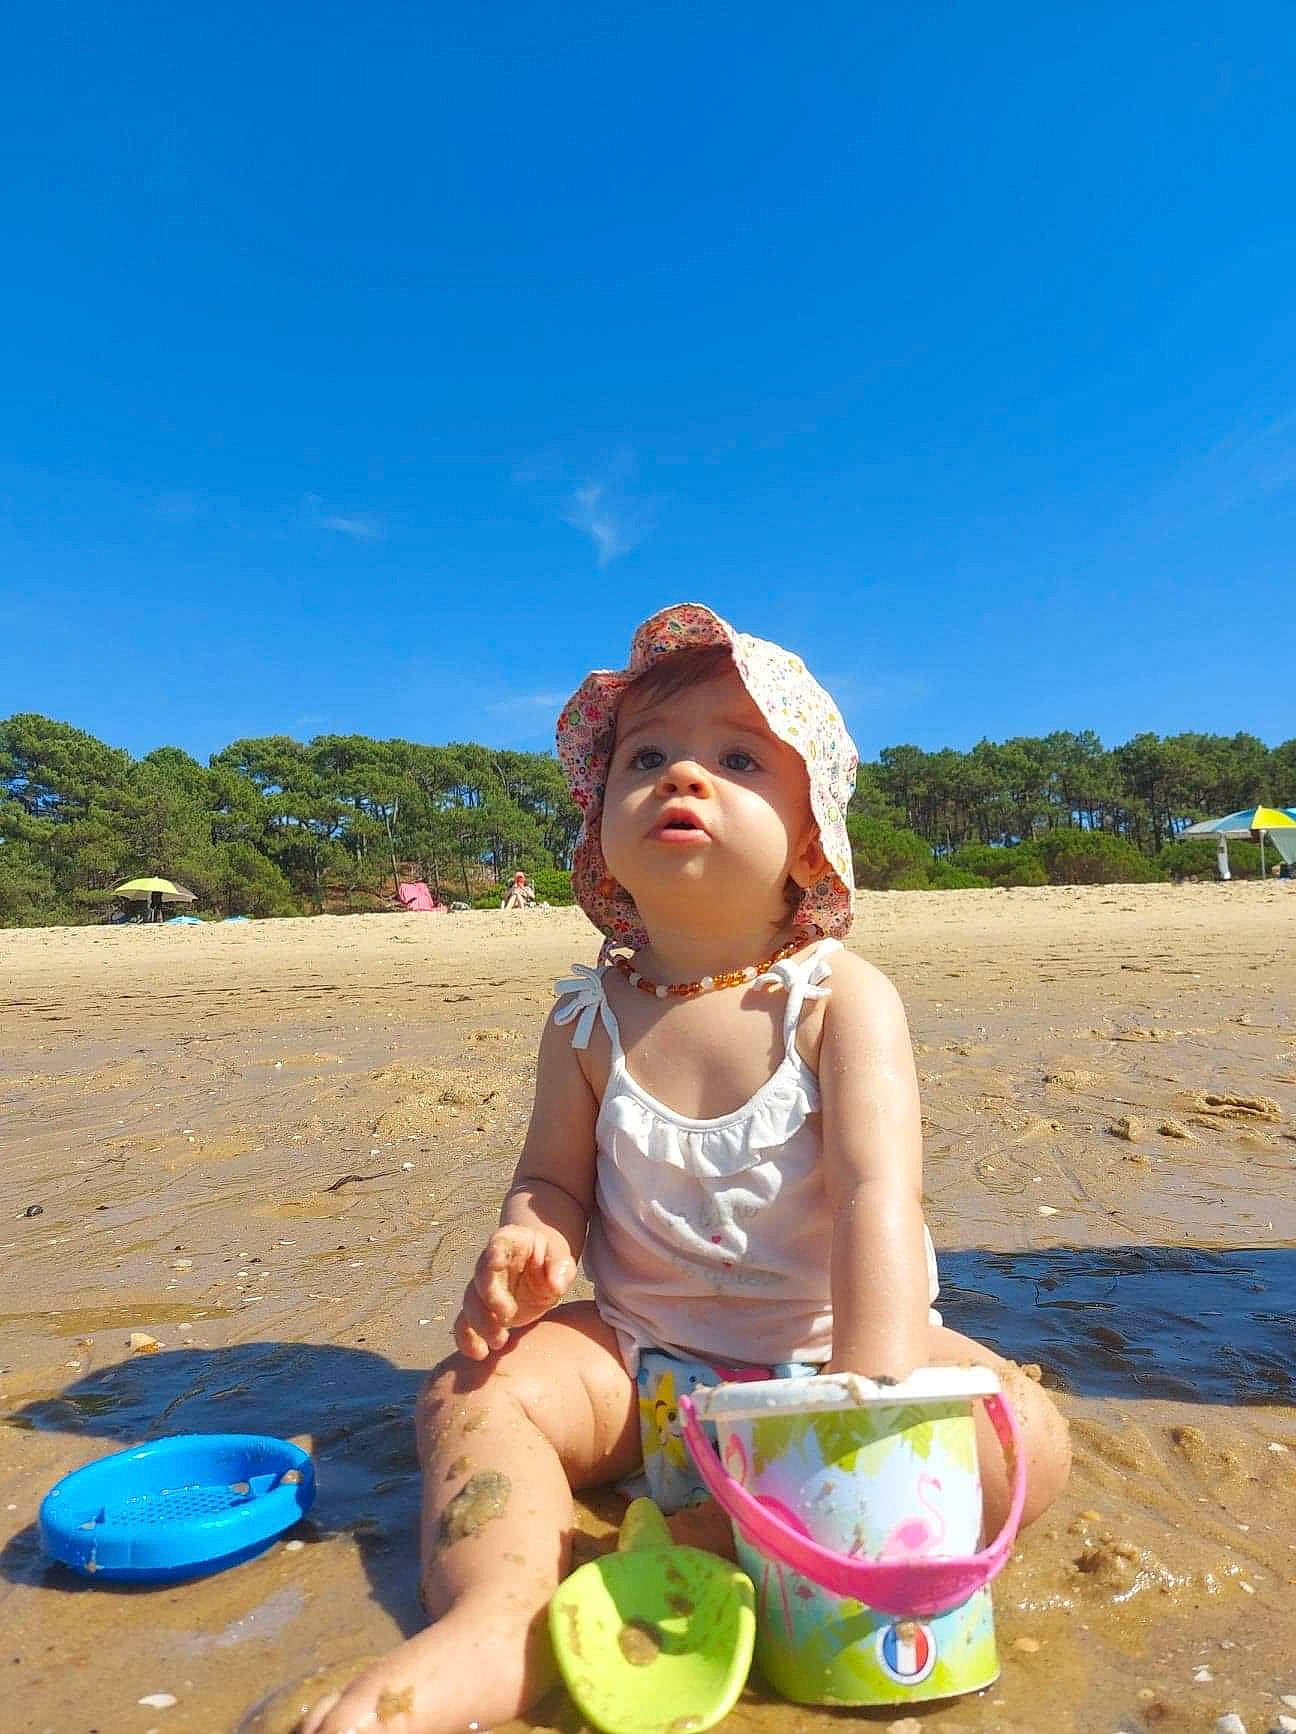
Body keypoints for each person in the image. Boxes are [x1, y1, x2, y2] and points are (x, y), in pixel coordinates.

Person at [299, 603, 1071, 1734]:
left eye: (738, 759)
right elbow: (552, 1179)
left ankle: (734, 1533)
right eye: (648, 759)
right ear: (599, 819)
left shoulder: (837, 1000)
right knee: (472, 1395)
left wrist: (859, 1409)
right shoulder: (586, 1018)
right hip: (644, 1369)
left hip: (825, 1359)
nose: (683, 779)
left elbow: (875, 1196)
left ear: (811, 840)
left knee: (1026, 1435)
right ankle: (501, 1619)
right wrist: (533, 1240)